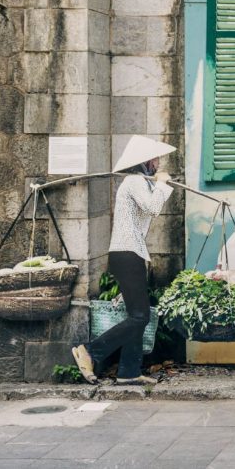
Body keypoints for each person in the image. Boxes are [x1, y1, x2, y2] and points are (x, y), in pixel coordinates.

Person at [71, 135, 175, 385]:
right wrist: (162, 185)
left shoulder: (141, 182)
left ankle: (129, 372)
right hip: (127, 254)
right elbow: (152, 208)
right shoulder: (135, 180)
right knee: (140, 316)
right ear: (144, 162)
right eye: (154, 159)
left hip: (130, 254)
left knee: (137, 314)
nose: (158, 163)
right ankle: (90, 350)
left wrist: (159, 185)